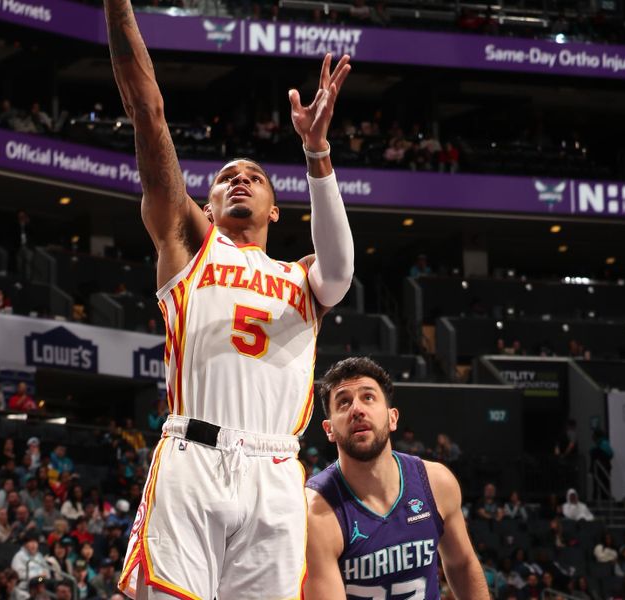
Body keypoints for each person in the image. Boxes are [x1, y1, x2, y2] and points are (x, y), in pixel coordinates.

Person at [104, 3, 354, 596]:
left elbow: (341, 269)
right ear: (208, 203)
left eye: (254, 176)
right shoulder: (190, 244)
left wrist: (316, 153)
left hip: (275, 470)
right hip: (195, 452)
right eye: (225, 177)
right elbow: (148, 113)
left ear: (274, 209)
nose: (238, 179)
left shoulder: (304, 277)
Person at [304, 358, 489, 599]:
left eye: (368, 397)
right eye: (343, 402)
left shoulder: (436, 482)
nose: (357, 410)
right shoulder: (315, 513)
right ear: (329, 429)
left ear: (392, 418)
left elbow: (462, 564)